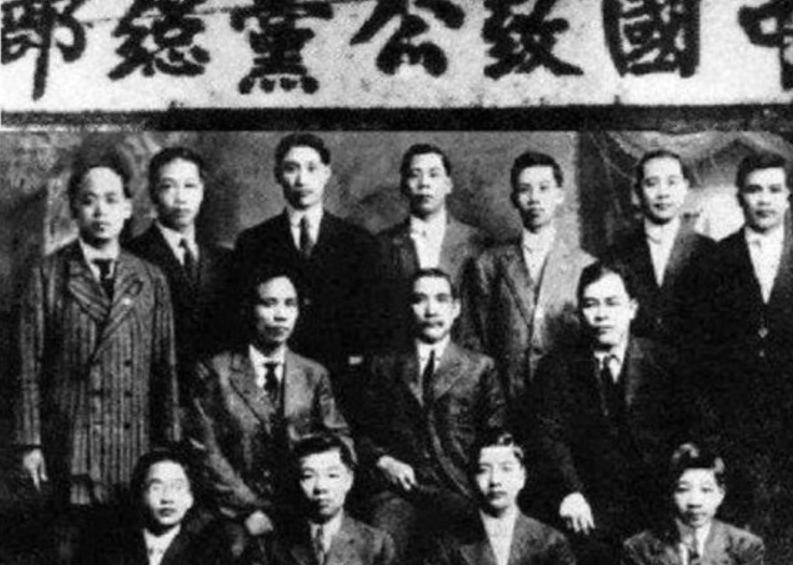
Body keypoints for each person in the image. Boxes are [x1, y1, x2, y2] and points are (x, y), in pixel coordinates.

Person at [14, 149, 180, 564]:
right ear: (74, 209)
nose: (100, 211)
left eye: (111, 200)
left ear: (128, 207)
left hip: (133, 449)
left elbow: (165, 368)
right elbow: (27, 365)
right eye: (88, 201)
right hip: (71, 446)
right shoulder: (48, 275)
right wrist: (30, 443)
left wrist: (170, 448)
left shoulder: (150, 278)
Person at [188, 270, 351, 558]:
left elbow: (338, 438)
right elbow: (205, 452)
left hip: (302, 505)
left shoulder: (313, 374)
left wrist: (322, 486)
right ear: (249, 309)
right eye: (269, 303)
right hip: (233, 511)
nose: (280, 315)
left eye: (290, 304)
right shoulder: (215, 371)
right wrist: (251, 509)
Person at [533, 262, 686, 565]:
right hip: (587, 514)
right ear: (580, 312)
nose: (601, 315)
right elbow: (547, 436)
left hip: (655, 511)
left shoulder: (664, 364)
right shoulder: (557, 368)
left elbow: (688, 435)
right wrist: (569, 493)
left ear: (632, 308)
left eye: (612, 303)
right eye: (591, 304)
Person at [357, 268, 507, 564]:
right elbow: (360, 432)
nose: (431, 310)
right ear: (408, 307)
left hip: (460, 489)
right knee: (380, 544)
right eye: (420, 299)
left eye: (441, 299)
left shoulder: (480, 367)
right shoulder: (382, 365)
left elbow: (497, 434)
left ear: (456, 309)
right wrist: (384, 461)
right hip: (399, 492)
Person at [694, 152, 793, 561]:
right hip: (736, 428)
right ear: (739, 198)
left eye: (773, 190)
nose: (764, 199)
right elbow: (701, 354)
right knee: (740, 537)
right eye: (754, 190)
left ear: (788, 196)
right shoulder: (715, 260)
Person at [231, 133, 380, 400]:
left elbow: (372, 319)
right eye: (291, 169)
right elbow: (244, 318)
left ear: (326, 174)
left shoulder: (359, 242)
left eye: (311, 168)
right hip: (278, 379)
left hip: (343, 378)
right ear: (278, 175)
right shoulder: (253, 241)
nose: (302, 180)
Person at [462, 151, 593, 425]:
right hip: (506, 406)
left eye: (544, 188)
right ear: (514, 199)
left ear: (559, 195)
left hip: (568, 408)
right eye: (525, 190)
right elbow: (474, 341)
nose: (534, 198)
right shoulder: (489, 263)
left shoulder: (586, 266)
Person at [127, 147, 233, 401]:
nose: (181, 198)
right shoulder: (131, 256)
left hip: (216, 398)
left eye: (190, 186)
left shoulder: (225, 260)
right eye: (168, 186)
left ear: (202, 191)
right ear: (153, 193)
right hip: (154, 395)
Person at [377, 143, 487, 347]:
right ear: (403, 186)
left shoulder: (478, 243)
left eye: (434, 174)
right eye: (415, 175)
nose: (424, 183)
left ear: (448, 185)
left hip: (465, 356)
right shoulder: (382, 244)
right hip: (401, 356)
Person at [606, 149, 714, 346]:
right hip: (637, 361)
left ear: (685, 188)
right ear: (638, 191)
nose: (663, 193)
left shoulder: (709, 251)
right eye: (651, 183)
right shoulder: (618, 253)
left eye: (672, 182)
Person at [425, 431, 576, 565]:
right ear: (472, 479)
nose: (495, 480)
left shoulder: (550, 541)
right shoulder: (448, 543)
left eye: (506, 469)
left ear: (522, 476)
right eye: (483, 470)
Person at [255, 433, 395, 565]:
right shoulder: (271, 544)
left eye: (332, 475)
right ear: (296, 481)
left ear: (348, 480)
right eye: (308, 476)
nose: (320, 487)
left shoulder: (376, 544)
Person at [79, 447, 228, 565]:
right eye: (156, 487)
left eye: (177, 487)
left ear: (190, 498)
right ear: (141, 495)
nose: (167, 498)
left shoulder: (209, 550)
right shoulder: (111, 547)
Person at [622, 443, 765, 565]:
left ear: (720, 494)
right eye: (683, 489)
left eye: (706, 490)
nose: (694, 502)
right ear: (672, 492)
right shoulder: (639, 548)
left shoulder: (746, 547)